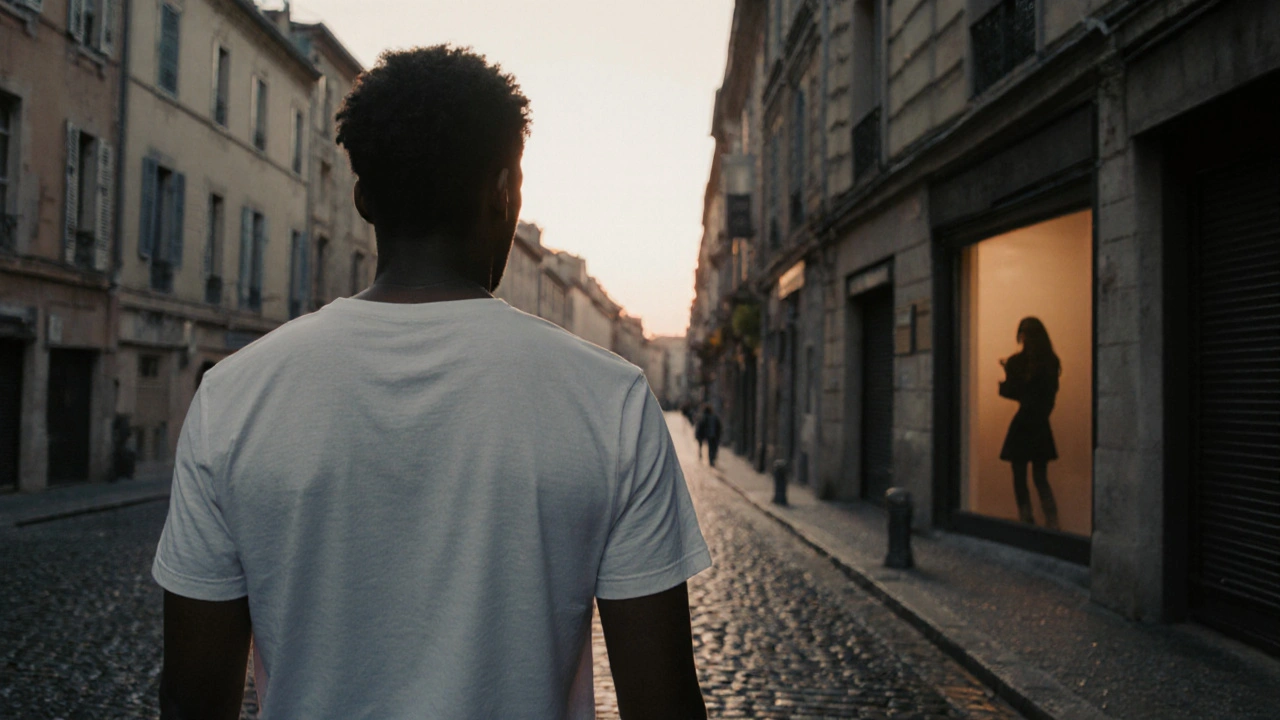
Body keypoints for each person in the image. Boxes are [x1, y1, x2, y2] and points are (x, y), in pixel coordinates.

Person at [152, 46, 710, 720]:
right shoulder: (611, 400)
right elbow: (664, 703)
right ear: (505, 192)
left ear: (362, 197)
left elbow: (191, 699)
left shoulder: (233, 395)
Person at [998, 317, 1061, 530]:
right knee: (1037, 476)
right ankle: (1050, 521)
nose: (1025, 339)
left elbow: (1015, 392)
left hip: (1026, 421)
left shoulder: (1020, 361)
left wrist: (1009, 379)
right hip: (1037, 422)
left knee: (1024, 475)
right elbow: (1046, 396)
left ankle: (1029, 520)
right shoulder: (1049, 361)